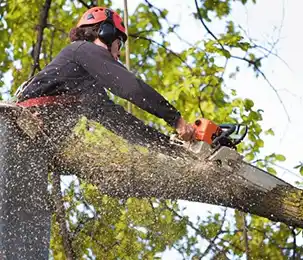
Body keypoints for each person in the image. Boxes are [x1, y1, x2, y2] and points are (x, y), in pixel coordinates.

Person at [15, 6, 196, 147]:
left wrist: (170, 147)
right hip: (16, 127)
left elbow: (122, 124)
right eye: (119, 44)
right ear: (106, 33)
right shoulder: (81, 50)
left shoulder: (87, 90)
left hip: (29, 143)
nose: (118, 55)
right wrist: (176, 120)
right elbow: (130, 87)